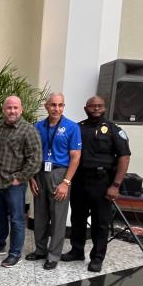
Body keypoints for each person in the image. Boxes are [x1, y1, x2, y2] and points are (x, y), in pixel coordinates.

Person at [62, 95, 131, 273]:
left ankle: (97, 258)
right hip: (79, 180)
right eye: (92, 106)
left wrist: (116, 185)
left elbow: (124, 157)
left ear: (104, 108)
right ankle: (77, 251)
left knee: (101, 222)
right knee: (77, 218)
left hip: (102, 182)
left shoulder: (114, 130)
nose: (96, 109)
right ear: (86, 109)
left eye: (99, 106)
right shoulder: (78, 128)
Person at [0, 96, 41, 267]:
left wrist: (19, 178)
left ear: (21, 110)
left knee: (16, 219)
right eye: (9, 108)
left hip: (14, 184)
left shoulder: (28, 130)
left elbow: (35, 159)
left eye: (15, 108)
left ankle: (15, 253)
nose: (12, 111)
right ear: (3, 109)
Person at [27, 93, 81, 270]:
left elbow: (75, 157)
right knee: (40, 215)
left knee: (58, 216)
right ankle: (40, 250)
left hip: (59, 174)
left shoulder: (71, 127)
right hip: (40, 173)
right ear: (46, 106)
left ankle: (54, 254)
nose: (56, 109)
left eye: (60, 105)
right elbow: (33, 155)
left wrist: (66, 182)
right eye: (53, 105)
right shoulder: (38, 126)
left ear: (63, 107)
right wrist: (32, 177)